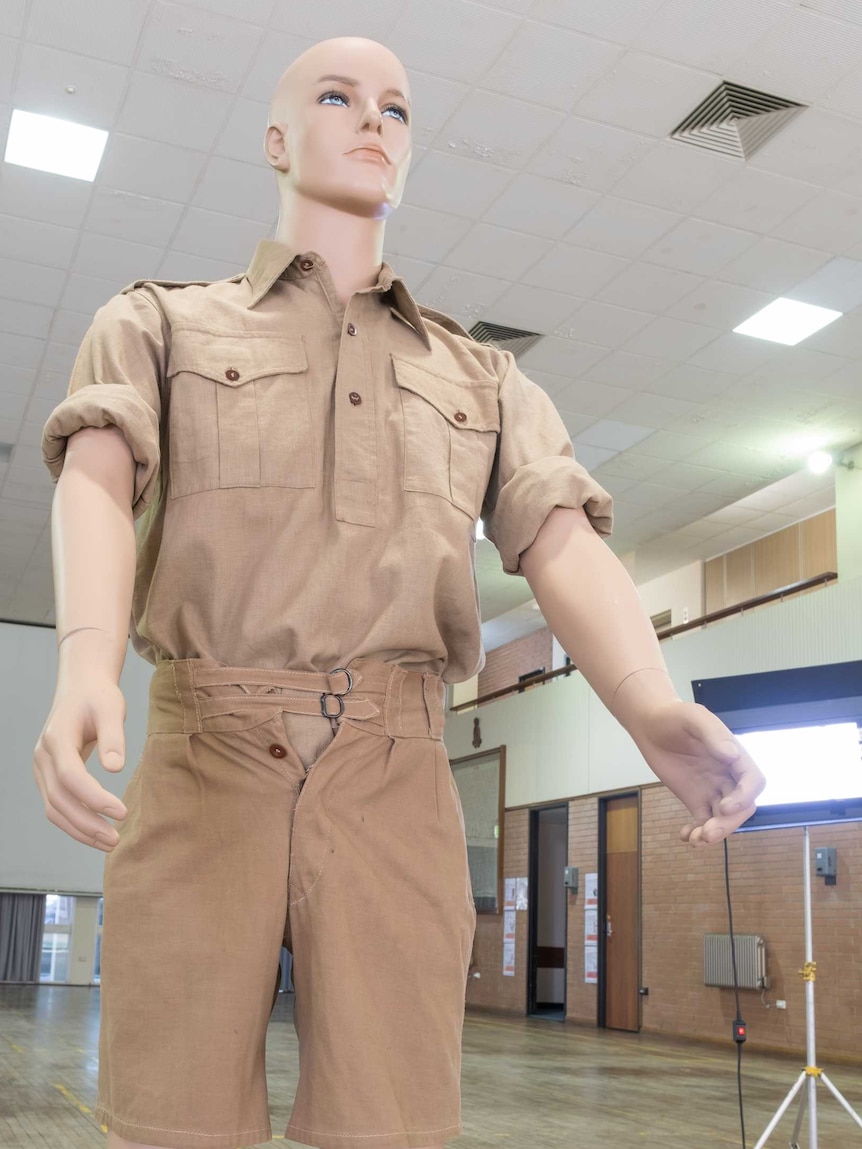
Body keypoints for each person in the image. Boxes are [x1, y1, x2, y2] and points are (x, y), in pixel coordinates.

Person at [33, 35, 766, 1149]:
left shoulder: (479, 375)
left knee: (392, 1120)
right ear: (278, 140)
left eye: (396, 108)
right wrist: (84, 661)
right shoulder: (161, 325)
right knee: (169, 1114)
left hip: (396, 769)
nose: (372, 119)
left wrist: (648, 705)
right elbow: (95, 474)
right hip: (204, 756)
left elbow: (558, 537)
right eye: (337, 96)